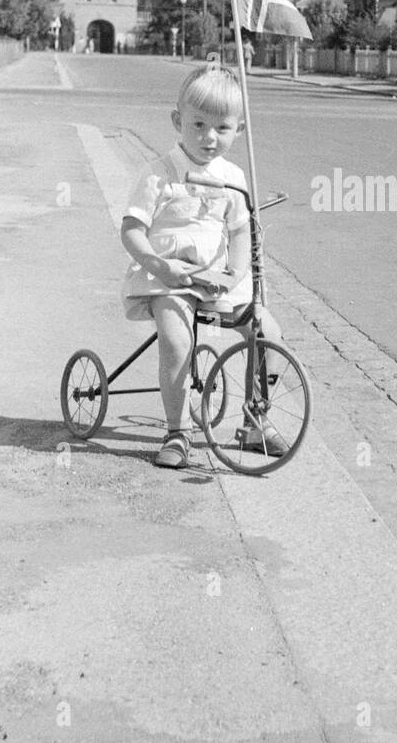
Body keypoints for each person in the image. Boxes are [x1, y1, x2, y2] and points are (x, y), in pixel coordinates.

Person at [120, 64, 285, 468]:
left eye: (222, 128)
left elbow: (241, 233)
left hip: (216, 278)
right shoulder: (159, 175)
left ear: (239, 130)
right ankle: (178, 431)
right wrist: (159, 266)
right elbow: (131, 231)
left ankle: (255, 419)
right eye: (198, 124)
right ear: (178, 121)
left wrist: (236, 273)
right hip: (169, 278)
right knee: (177, 341)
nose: (209, 137)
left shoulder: (233, 177)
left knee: (268, 332)